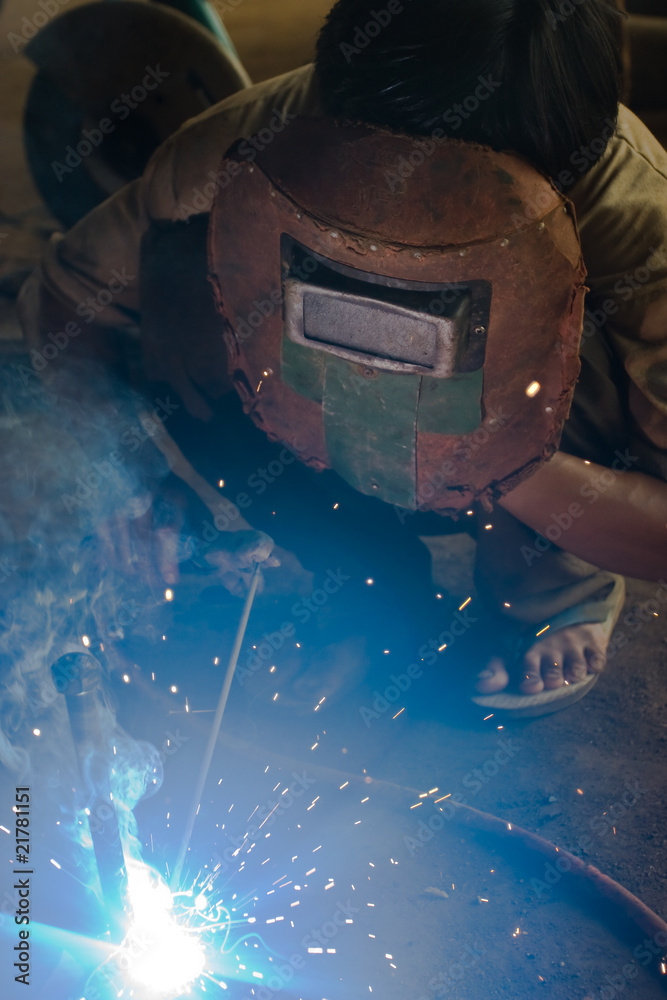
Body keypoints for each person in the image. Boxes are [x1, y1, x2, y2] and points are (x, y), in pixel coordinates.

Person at [17, 0, 667, 712]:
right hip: (319, 427)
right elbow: (70, 292)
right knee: (176, 265)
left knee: (577, 352)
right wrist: (124, 472)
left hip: (519, 467)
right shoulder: (246, 141)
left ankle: (545, 587)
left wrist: (497, 460)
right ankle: (366, 585)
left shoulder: (641, 219)